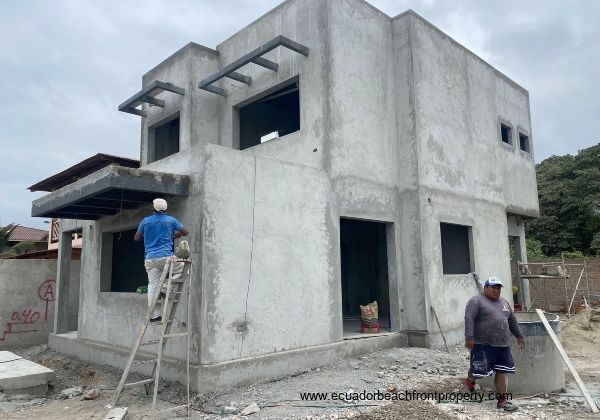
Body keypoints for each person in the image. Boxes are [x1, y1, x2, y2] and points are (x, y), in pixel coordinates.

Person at [464, 276, 525, 412]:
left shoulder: (504, 302)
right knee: (478, 372)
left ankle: (502, 400)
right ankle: (470, 380)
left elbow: (512, 321)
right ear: (485, 288)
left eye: (498, 288)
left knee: (501, 372)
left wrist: (519, 335)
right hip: (482, 344)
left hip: (503, 346)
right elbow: (469, 318)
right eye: (493, 287)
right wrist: (469, 337)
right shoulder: (476, 300)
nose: (496, 290)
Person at [134, 198, 189, 322]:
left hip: (150, 258)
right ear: (166, 209)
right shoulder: (170, 220)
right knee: (184, 267)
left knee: (152, 286)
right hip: (166, 257)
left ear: (153, 208)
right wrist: (175, 236)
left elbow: (136, 238)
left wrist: (148, 237)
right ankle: (165, 289)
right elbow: (185, 232)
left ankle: (155, 316)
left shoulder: (146, 221)